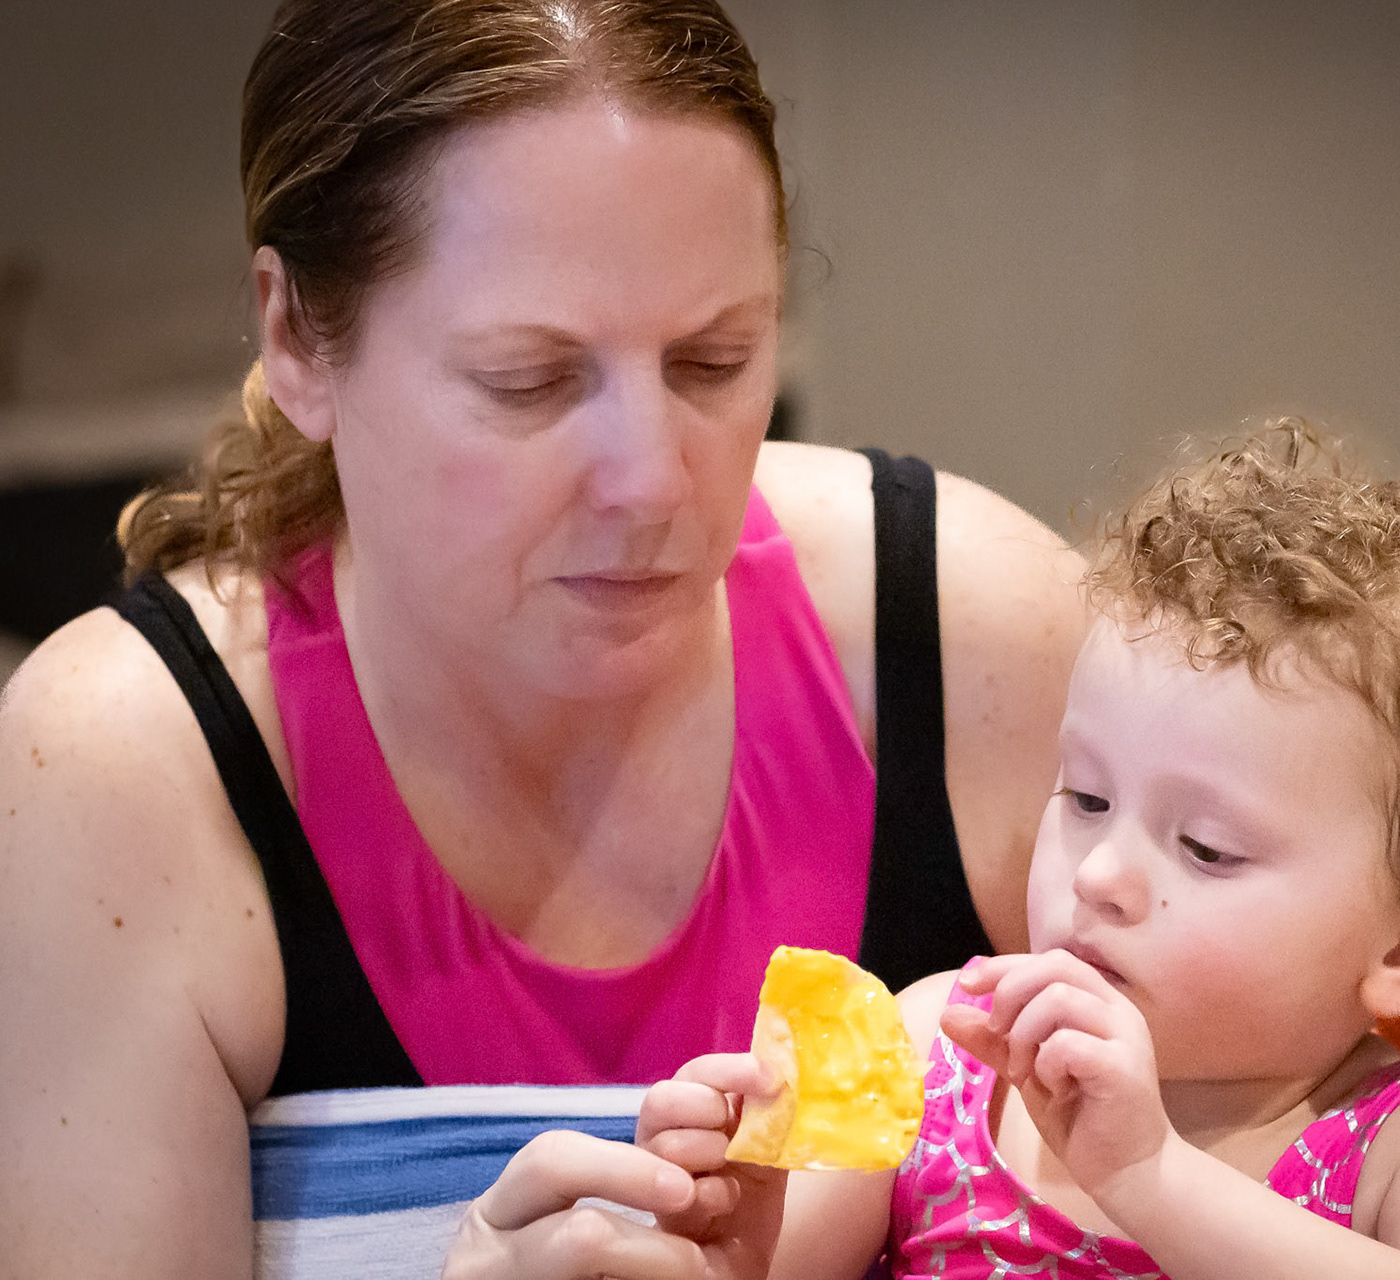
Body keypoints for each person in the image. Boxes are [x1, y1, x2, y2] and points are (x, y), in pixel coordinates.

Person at [0, 2, 1086, 1277]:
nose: (652, 483)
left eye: (712, 361)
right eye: (530, 380)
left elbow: (1327, 1166)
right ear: (296, 337)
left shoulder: (980, 644)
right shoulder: (123, 772)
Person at [636, 423, 1400, 1280]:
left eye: (1208, 849)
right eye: (1087, 797)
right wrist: (735, 1230)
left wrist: (1150, 1177)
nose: (1098, 875)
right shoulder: (942, 1051)